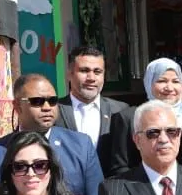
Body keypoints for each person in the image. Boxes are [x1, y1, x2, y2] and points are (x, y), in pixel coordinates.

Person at [0, 74, 103, 195]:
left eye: (52, 101)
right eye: (37, 101)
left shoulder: (81, 146)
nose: (47, 107)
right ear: (17, 106)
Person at [55, 46, 133, 178]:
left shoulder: (121, 110)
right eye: (84, 70)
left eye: (97, 72)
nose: (91, 77)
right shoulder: (54, 110)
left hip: (110, 187)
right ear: (69, 73)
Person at [110, 58, 182, 175]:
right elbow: (120, 166)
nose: (170, 88)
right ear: (148, 83)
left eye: (175, 81)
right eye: (162, 81)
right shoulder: (129, 117)